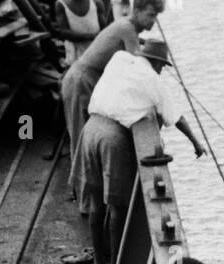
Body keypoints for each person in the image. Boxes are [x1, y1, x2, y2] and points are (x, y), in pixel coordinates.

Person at [77, 38, 206, 264]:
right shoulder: (153, 80)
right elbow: (175, 117)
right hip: (111, 138)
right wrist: (196, 143)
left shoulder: (120, 59)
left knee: (96, 202)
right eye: (162, 67)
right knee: (118, 205)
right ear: (158, 64)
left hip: (90, 129)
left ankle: (99, 263)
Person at [61, 0, 159, 199]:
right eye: (150, 15)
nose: (153, 21)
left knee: (85, 137)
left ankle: (85, 193)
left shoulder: (126, 28)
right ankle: (83, 196)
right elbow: (138, 66)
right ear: (137, 10)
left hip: (88, 80)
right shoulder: (127, 28)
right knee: (81, 137)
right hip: (80, 81)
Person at [53, 0, 113, 67]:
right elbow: (65, 32)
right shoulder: (61, 4)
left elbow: (104, 29)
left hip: (96, 50)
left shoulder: (96, 2)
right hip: (75, 54)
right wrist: (91, 36)